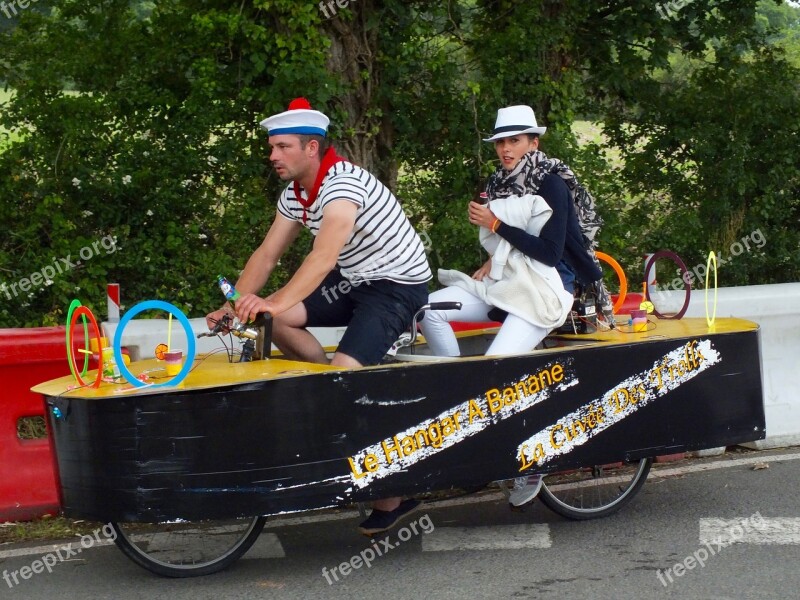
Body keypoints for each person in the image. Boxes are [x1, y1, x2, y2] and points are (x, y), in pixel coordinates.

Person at [205, 97, 432, 534]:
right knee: (279, 323)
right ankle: (331, 386)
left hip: (395, 286)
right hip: (355, 281)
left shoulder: (342, 185)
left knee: (301, 333)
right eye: (271, 147)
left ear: (312, 148)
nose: (272, 155)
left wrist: (272, 301)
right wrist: (236, 307)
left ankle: (394, 496)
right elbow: (267, 255)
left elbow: (324, 256)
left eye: (282, 147)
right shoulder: (295, 193)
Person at [418, 104, 603, 507]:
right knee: (424, 309)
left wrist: (497, 225)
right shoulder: (498, 182)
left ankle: (532, 462)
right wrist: (490, 257)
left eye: (514, 140)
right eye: (501, 141)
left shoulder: (551, 182)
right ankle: (458, 388)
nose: (505, 149)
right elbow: (506, 245)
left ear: (533, 142)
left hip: (543, 289)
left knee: (496, 371)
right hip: (506, 281)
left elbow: (550, 254)